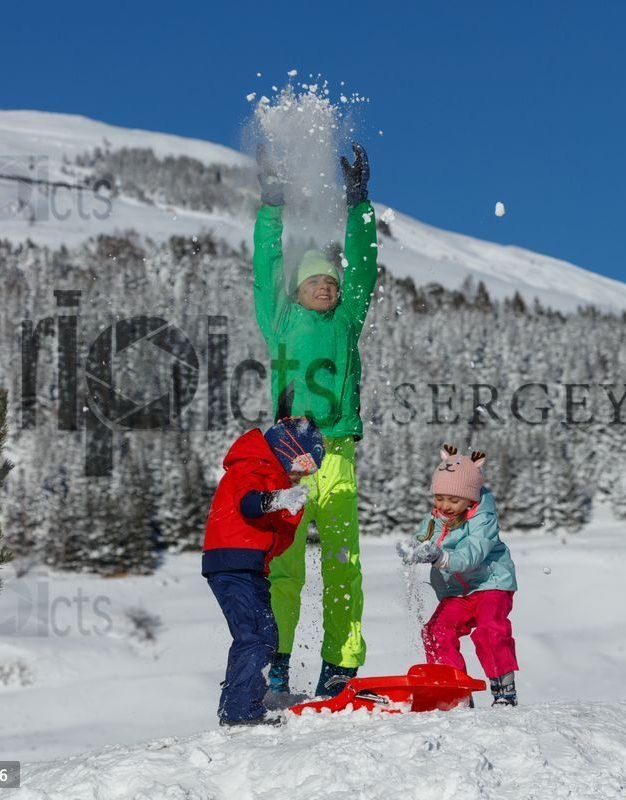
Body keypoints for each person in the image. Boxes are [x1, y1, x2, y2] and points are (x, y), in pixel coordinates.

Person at [252, 142, 378, 697]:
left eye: (330, 281)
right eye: (314, 281)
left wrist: (359, 205)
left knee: (342, 560)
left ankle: (340, 664)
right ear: (297, 289)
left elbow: (365, 267)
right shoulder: (279, 318)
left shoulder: (348, 318)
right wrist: (271, 205)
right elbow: (266, 264)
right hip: (289, 454)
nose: (325, 287)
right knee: (284, 563)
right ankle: (277, 658)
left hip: (339, 452)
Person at [201, 404, 326, 725]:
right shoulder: (252, 465)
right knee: (255, 637)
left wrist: (290, 512)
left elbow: (278, 539)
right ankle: (240, 711)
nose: (297, 478)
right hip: (233, 561)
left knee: (264, 634)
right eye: (297, 470)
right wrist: (278, 500)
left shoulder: (271, 475)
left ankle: (237, 703)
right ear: (286, 454)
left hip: (249, 565)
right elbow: (248, 503)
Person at [401, 445, 520, 706]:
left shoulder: (483, 517)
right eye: (439, 498)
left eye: (454, 500)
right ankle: (455, 690)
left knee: (489, 630)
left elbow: (473, 553)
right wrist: (413, 549)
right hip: (458, 592)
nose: (445, 506)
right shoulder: (436, 517)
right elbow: (424, 538)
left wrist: (442, 558)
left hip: (491, 584)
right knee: (435, 631)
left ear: (471, 499)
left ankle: (504, 690)